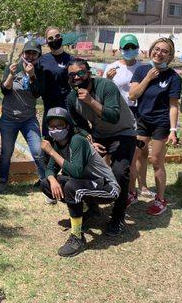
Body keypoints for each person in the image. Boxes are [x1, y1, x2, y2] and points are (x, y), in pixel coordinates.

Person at [66, 59, 136, 236]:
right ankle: (93, 206)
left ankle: (118, 216)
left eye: (80, 73)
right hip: (99, 135)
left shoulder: (106, 86)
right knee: (85, 169)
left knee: (120, 173)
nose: (76, 77)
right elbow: (78, 123)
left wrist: (90, 101)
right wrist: (88, 139)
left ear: (89, 73)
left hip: (123, 132)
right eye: (71, 75)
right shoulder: (71, 98)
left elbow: (113, 116)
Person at [40, 107, 120, 257]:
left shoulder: (77, 141)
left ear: (68, 126)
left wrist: (51, 152)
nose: (55, 129)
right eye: (52, 126)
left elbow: (76, 171)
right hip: (88, 183)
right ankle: (90, 210)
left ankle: (77, 237)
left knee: (72, 187)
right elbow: (50, 169)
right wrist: (52, 180)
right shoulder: (58, 143)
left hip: (108, 187)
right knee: (46, 184)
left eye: (60, 125)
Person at [129, 37, 181, 215]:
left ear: (170, 56)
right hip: (142, 121)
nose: (159, 53)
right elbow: (133, 95)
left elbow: (173, 106)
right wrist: (148, 78)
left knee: (156, 161)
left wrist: (173, 130)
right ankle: (132, 193)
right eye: (156, 49)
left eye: (164, 51)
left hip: (161, 124)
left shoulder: (174, 77)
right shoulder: (142, 70)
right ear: (151, 50)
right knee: (135, 155)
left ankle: (160, 199)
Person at [103, 34, 151, 203]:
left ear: (137, 48)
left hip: (138, 111)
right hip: (117, 112)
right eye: (126, 48)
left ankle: (142, 186)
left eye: (132, 47)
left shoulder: (145, 68)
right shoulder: (113, 67)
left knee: (140, 151)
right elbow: (103, 90)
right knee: (112, 149)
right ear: (120, 49)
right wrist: (108, 79)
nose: (130, 50)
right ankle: (113, 183)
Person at [0, 40, 45, 193]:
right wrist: (11, 75)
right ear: (23, 53)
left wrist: (32, 76)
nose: (30, 56)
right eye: (28, 52)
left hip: (28, 119)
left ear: (38, 55)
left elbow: (37, 93)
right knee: (6, 152)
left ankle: (44, 183)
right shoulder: (13, 67)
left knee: (37, 151)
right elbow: (4, 90)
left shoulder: (40, 71)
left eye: (34, 53)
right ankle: (3, 180)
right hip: (9, 119)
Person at [36, 27, 76, 137]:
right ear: (47, 41)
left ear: (61, 37)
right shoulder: (42, 60)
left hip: (66, 105)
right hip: (49, 106)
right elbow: (36, 82)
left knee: (67, 137)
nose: (54, 39)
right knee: (49, 138)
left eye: (57, 36)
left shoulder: (71, 60)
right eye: (50, 38)